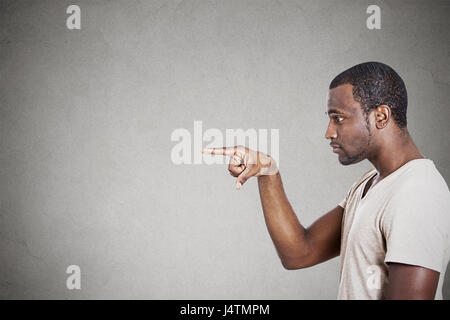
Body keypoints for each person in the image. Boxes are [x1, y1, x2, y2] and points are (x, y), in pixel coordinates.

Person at [202, 62, 450, 300]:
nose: (328, 132)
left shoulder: (418, 192)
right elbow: (299, 252)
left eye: (338, 118)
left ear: (381, 116)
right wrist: (268, 171)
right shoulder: (371, 183)